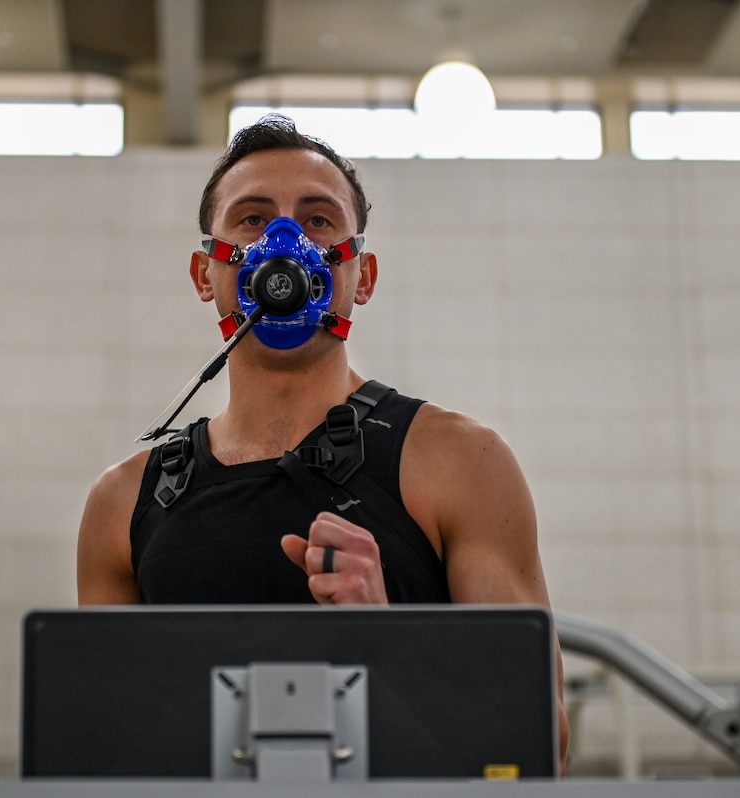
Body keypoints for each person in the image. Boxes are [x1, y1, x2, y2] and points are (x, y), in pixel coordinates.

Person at [76, 113, 568, 766]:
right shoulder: (123, 502)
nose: (283, 242)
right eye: (252, 218)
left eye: (318, 219)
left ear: (361, 276)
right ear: (205, 273)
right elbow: (98, 749)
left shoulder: (460, 463)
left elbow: (537, 742)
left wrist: (386, 636)